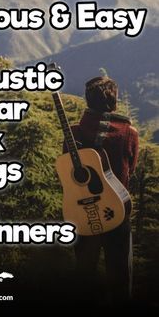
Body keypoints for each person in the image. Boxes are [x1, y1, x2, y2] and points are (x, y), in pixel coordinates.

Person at [63, 76, 139, 304]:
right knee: (120, 278)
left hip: (82, 212)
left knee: (84, 275)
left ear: (88, 101)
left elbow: (67, 173)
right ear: (113, 101)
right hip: (116, 210)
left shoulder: (73, 132)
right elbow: (131, 170)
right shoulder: (129, 133)